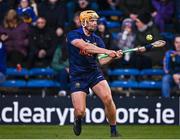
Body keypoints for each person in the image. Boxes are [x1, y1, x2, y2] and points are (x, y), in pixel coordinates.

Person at [66, 10, 123, 137]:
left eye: (96, 21)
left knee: (108, 99)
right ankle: (77, 119)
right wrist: (108, 51)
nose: (95, 23)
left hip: (93, 73)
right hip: (78, 76)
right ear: (84, 22)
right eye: (92, 21)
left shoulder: (97, 39)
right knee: (80, 111)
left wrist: (114, 56)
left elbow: (102, 61)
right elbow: (85, 46)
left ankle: (113, 130)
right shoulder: (73, 34)